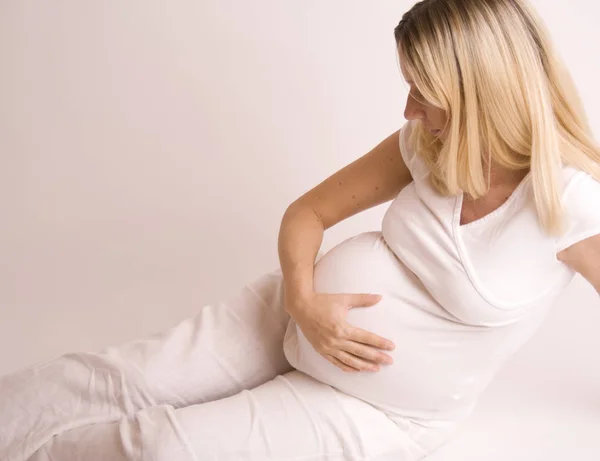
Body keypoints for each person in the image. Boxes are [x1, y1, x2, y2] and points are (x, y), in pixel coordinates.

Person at [1, 0, 600, 459]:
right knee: (117, 377)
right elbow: (307, 214)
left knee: (158, 447)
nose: (408, 110)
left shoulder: (572, 202)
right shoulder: (428, 144)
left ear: (480, 95)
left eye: (424, 92)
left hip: (372, 406)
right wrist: (304, 300)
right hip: (290, 310)